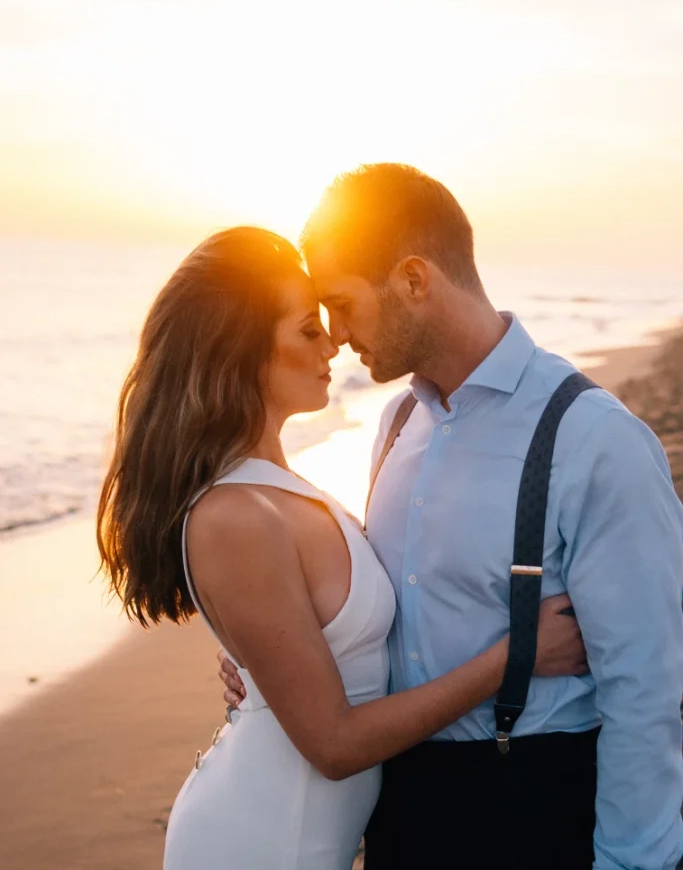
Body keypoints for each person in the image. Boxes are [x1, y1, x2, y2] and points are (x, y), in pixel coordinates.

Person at [222, 164, 683, 870]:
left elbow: (646, 691)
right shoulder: (396, 423)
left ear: (413, 279)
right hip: (402, 810)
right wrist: (266, 664)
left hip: (535, 806)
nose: (337, 335)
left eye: (342, 303)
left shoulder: (595, 439)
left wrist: (631, 862)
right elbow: (387, 613)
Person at [96, 226, 584, 870]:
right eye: (306, 330)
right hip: (261, 842)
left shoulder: (281, 486)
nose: (333, 343)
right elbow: (333, 745)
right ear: (239, 351)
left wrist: (256, 666)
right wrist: (516, 657)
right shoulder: (234, 515)